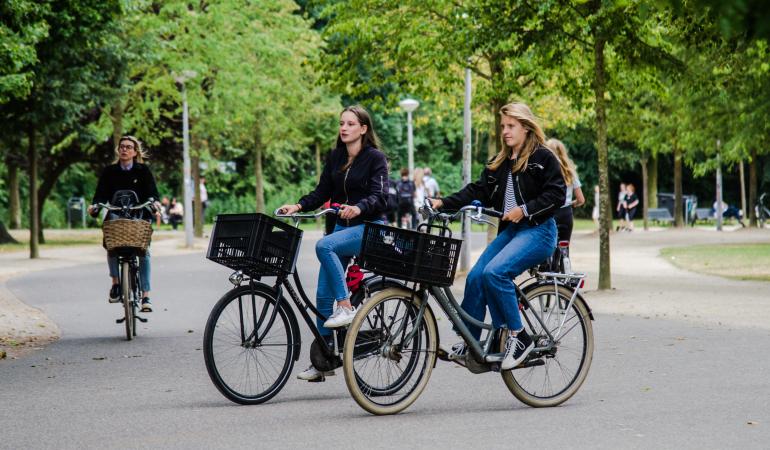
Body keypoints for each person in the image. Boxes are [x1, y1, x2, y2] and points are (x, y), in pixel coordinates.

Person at [430, 102, 565, 371]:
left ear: (525, 127)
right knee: (477, 275)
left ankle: (518, 336)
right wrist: (442, 203)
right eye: (503, 126)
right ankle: (472, 341)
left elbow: (557, 194)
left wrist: (524, 210)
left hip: (539, 231)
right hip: (513, 232)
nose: (505, 131)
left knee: (495, 273)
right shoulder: (500, 162)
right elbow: (476, 190)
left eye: (511, 126)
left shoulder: (542, 158)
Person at [277, 105, 388, 381]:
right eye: (342, 123)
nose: (344, 128)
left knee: (323, 246)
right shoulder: (337, 156)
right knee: (322, 296)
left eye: (350, 124)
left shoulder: (376, 158)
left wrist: (360, 208)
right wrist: (299, 205)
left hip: (369, 228)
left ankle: (346, 306)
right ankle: (323, 360)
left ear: (363, 129)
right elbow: (322, 191)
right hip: (342, 227)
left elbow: (381, 196)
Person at [88, 136, 160, 312]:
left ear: (135, 152)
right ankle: (116, 284)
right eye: (122, 147)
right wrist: (94, 206)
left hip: (138, 215)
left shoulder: (143, 171)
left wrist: (154, 203)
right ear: (118, 150)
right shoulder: (109, 172)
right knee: (111, 245)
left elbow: (153, 193)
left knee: (144, 252)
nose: (124, 150)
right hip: (116, 216)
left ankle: (146, 296)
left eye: (129, 147)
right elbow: (100, 195)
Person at [545, 138, 585, 244]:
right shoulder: (570, 172)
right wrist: (572, 203)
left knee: (550, 248)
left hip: (550, 213)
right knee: (564, 247)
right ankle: (566, 259)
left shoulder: (545, 172)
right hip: (566, 214)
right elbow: (581, 199)